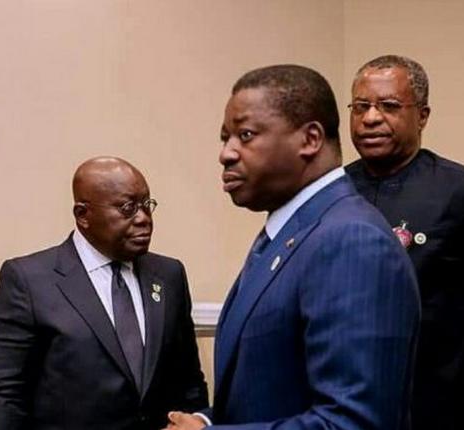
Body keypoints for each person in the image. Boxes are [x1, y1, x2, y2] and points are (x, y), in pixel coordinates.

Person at [166, 64, 420, 429]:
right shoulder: (288, 235)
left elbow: (354, 423)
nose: (227, 153)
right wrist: (206, 422)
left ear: (310, 139)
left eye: (246, 134)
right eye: (226, 138)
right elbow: (263, 396)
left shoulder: (351, 241)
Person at [0, 156, 208, 429]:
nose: (143, 219)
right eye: (127, 208)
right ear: (83, 215)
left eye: (147, 205)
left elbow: (189, 383)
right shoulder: (29, 280)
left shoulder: (169, 275)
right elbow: (3, 395)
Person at [346, 54, 464, 430]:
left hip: (438, 406)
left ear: (423, 115)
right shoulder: (331, 192)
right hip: (345, 406)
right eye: (361, 107)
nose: (371, 118)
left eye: (389, 106)